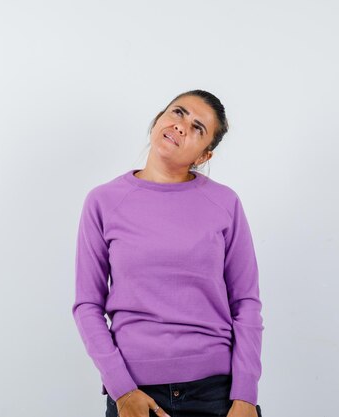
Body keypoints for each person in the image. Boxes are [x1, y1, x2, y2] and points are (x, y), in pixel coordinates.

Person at [72, 90, 264, 417]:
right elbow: (87, 305)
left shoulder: (224, 203)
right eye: (178, 112)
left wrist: (245, 394)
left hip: (216, 394)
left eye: (197, 127)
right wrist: (122, 390)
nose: (181, 126)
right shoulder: (103, 202)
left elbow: (245, 301)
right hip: (136, 394)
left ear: (204, 156)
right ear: (159, 118)